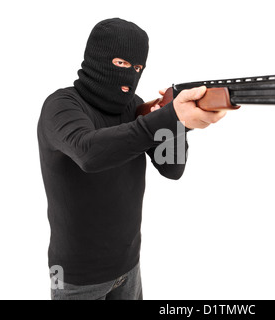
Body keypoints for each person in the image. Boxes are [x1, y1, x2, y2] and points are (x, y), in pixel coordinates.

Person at [37, 18, 226, 300]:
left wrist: (175, 124)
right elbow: (89, 153)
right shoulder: (62, 106)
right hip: (74, 276)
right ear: (97, 57)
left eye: (137, 68)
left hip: (129, 267)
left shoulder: (133, 105)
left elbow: (171, 168)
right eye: (122, 63)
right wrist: (167, 117)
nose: (130, 74)